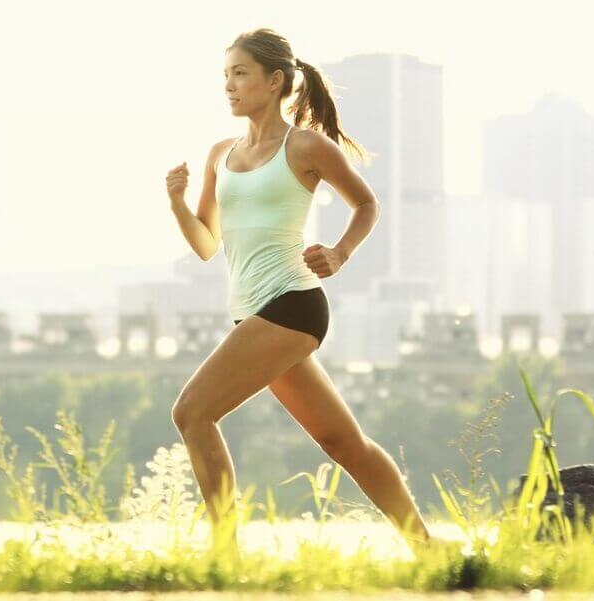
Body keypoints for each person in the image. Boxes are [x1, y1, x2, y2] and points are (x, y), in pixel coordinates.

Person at [165, 27, 441, 559]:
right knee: (343, 443)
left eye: (240, 73)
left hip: (292, 304)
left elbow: (366, 204)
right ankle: (429, 550)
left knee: (192, 412)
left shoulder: (306, 146)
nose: (229, 85)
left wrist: (339, 253)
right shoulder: (220, 154)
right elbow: (205, 244)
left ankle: (224, 557)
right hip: (254, 317)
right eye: (225, 75)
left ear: (274, 81)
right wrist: (177, 203)